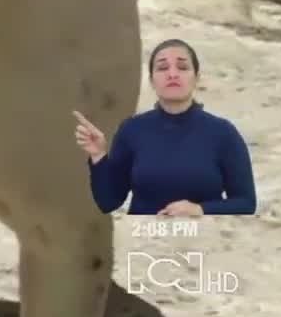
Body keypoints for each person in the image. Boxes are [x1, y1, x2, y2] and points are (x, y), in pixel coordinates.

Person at [73, 38, 257, 215]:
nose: (172, 74)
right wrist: (98, 156)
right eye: (162, 68)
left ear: (196, 78)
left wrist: (200, 210)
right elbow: (108, 202)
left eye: (183, 67)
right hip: (144, 243)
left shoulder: (223, 133)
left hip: (204, 242)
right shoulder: (132, 130)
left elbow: (246, 203)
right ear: (152, 81)